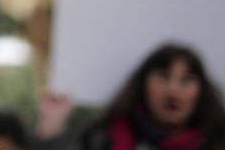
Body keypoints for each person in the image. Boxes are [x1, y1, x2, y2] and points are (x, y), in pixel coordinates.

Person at [35, 43, 225, 149]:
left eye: (186, 81)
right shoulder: (101, 139)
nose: (173, 90)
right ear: (143, 84)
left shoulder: (217, 142)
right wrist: (52, 126)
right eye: (163, 77)